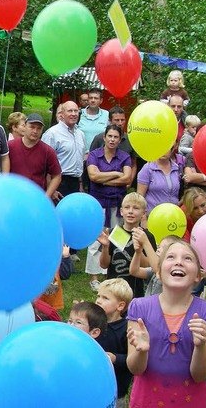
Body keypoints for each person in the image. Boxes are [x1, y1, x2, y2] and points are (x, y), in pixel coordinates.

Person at [127, 239, 206, 407]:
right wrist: (142, 351)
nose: (179, 261)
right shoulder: (139, 307)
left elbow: (200, 376)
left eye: (188, 258)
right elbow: (135, 369)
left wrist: (200, 346)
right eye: (171, 257)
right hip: (147, 401)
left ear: (198, 276)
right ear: (158, 272)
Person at [86, 124, 132, 291]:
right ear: (104, 137)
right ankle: (94, 276)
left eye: (116, 137)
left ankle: (112, 274)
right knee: (96, 239)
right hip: (97, 203)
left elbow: (127, 179)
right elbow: (92, 176)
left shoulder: (124, 157)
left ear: (120, 140)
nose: (112, 140)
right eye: (110, 136)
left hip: (117, 203)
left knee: (117, 238)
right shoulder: (94, 155)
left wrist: (103, 179)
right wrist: (116, 174)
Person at [98, 192, 157, 298]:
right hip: (114, 289)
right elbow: (104, 264)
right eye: (127, 207)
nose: (130, 211)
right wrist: (105, 247)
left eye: (136, 208)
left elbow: (149, 266)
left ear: (144, 213)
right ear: (121, 211)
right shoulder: (113, 233)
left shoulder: (146, 236)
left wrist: (139, 250)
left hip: (136, 290)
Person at [95, 278, 134, 407]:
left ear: (120, 306)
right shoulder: (94, 324)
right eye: (98, 296)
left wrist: (115, 358)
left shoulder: (127, 329)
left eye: (105, 298)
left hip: (116, 391)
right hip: (94, 385)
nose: (99, 300)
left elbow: (132, 361)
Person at [7, 113, 61, 198]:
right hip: (12, 196)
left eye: (39, 128)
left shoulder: (48, 151)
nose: (35, 131)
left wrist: (46, 196)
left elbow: (57, 176)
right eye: (32, 127)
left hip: (35, 198)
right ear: (24, 126)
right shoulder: (9, 146)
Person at [42, 101, 86, 201]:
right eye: (70, 111)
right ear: (61, 114)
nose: (74, 114)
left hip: (75, 183)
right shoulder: (52, 134)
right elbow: (45, 164)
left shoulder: (80, 134)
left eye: (76, 111)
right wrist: (51, 189)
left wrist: (80, 184)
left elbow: (80, 162)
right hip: (58, 183)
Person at [89, 106, 138, 186]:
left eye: (122, 120)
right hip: (99, 188)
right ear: (110, 121)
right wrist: (116, 174)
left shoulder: (131, 140)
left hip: (121, 188)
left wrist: (129, 183)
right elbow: (91, 165)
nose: (120, 123)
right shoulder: (99, 139)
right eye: (116, 120)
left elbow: (133, 164)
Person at [136, 148, 182, 215]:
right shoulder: (147, 169)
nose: (162, 151)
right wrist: (142, 217)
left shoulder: (177, 168)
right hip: (152, 215)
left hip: (172, 215)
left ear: (171, 150)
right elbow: (140, 197)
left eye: (166, 148)